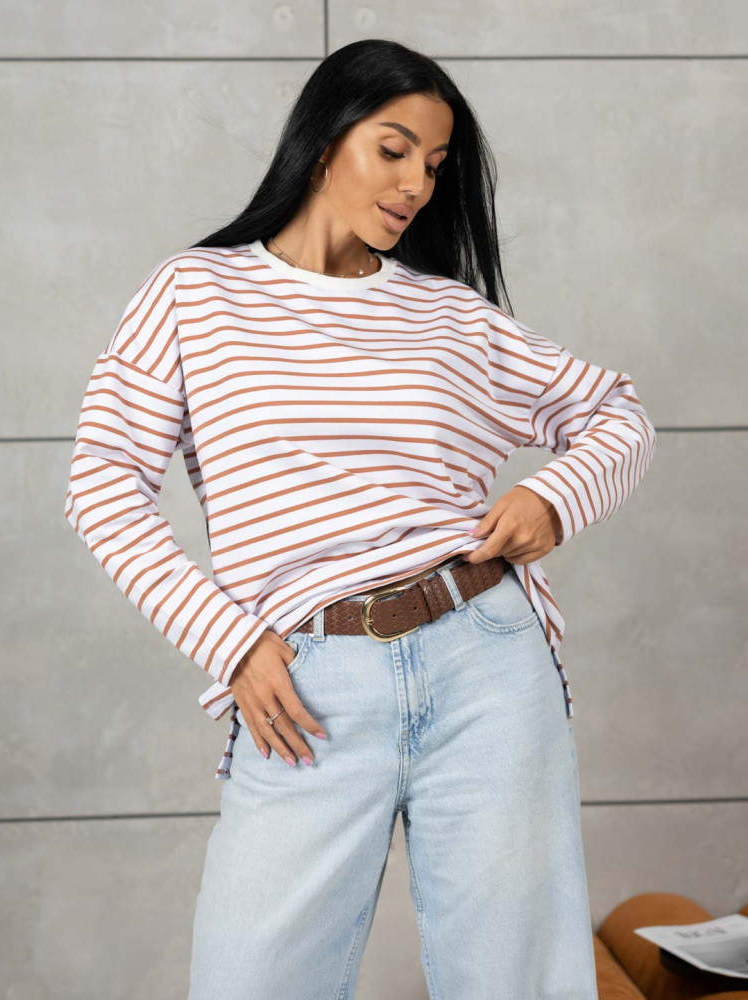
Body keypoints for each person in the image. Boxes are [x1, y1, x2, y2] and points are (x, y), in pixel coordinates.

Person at [63, 38, 656, 999]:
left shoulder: (448, 313)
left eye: (435, 165)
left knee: (519, 981)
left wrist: (555, 496)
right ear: (324, 138)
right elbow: (101, 484)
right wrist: (229, 644)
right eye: (394, 149)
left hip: (486, 658)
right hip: (306, 684)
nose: (417, 184)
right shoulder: (194, 293)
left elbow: (617, 413)